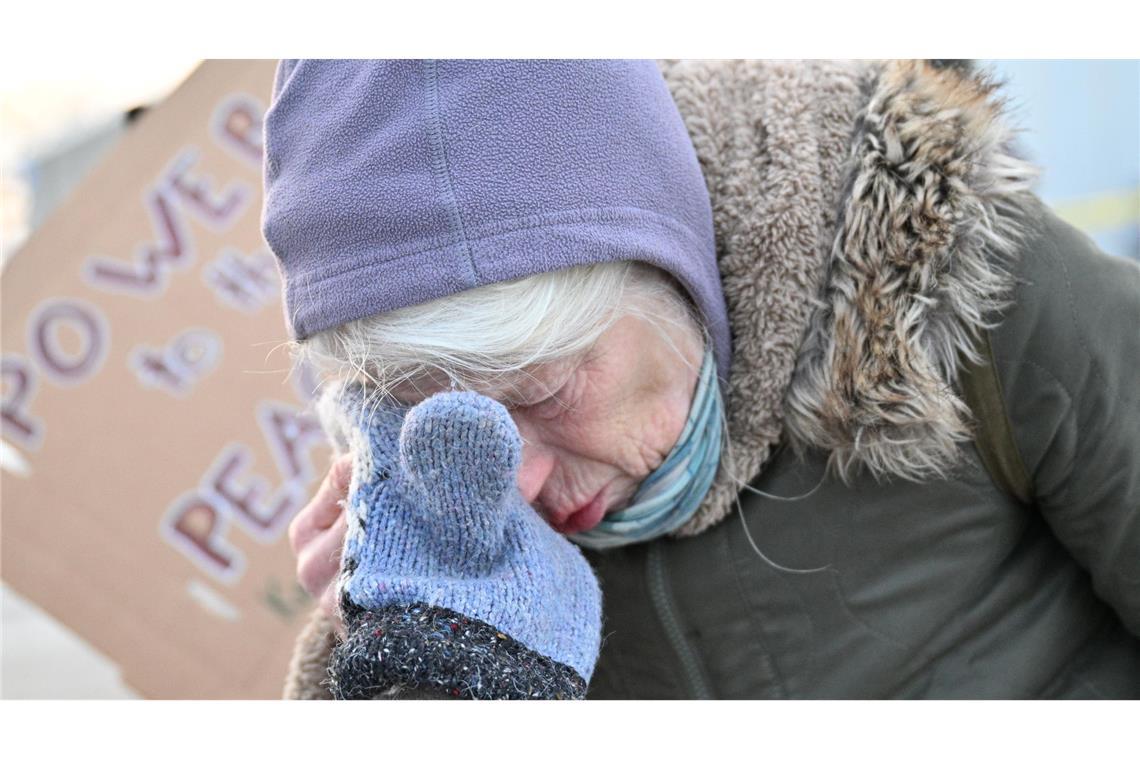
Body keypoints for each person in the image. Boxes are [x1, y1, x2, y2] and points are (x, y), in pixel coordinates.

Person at [265, 59, 1140, 699]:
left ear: (671, 271)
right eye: (435, 419)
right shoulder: (438, 526)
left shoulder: (968, 288)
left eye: (546, 394)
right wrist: (400, 654)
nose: (518, 483)